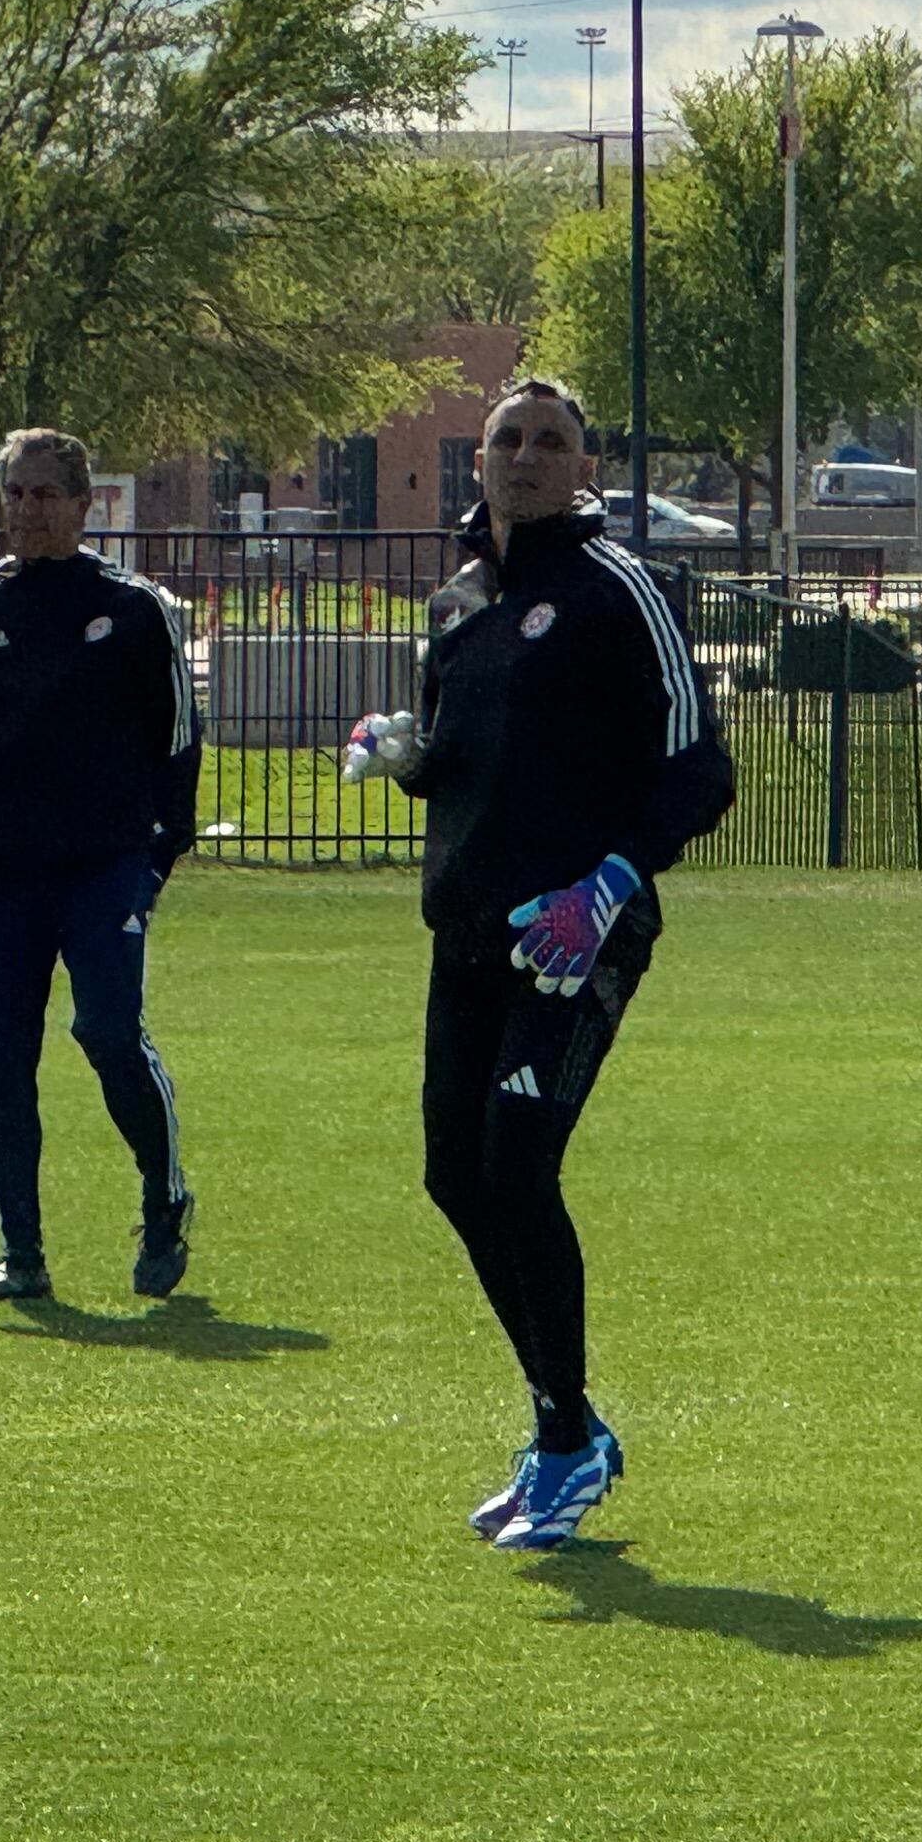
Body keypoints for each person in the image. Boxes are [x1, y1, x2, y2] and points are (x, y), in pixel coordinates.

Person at [344, 378, 732, 1554]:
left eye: (548, 441)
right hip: (466, 930)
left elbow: (698, 771)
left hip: (575, 934)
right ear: (478, 461)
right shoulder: (459, 601)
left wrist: (608, 882)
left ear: (584, 465)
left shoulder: (621, 592)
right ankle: (565, 1423)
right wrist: (405, 754)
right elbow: (461, 756)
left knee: (517, 1169)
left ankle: (564, 1441)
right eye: (506, 439)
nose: (523, 456)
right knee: (454, 1180)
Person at [0, 428, 201, 1305]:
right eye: (16, 495)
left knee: (106, 1031)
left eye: (45, 494)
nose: (29, 510)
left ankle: (163, 1198)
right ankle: (21, 1251)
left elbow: (177, 745)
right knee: (2, 1061)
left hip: (106, 866)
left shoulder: (135, 610)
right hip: (2, 873)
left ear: (84, 503)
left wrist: (157, 858)